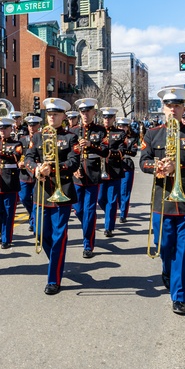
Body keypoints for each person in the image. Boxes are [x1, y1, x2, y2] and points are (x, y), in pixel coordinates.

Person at [140, 87, 185, 316]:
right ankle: (167, 271)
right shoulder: (152, 134)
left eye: (177, 106)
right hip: (162, 200)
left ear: (183, 108)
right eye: (169, 106)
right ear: (163, 108)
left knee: (184, 250)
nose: (173, 109)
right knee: (165, 246)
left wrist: (176, 167)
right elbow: (144, 161)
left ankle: (179, 296)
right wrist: (156, 167)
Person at [25, 99, 80, 295]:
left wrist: (53, 168)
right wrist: (36, 168)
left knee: (58, 238)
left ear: (63, 116)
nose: (51, 117)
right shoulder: (38, 136)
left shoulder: (71, 138)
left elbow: (73, 162)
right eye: (49, 114)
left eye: (55, 114)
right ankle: (55, 261)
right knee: (40, 233)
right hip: (41, 192)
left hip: (61, 192)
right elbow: (28, 158)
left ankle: (54, 278)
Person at [72, 98, 108, 258]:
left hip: (92, 176)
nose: (85, 114)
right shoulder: (73, 131)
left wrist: (91, 145)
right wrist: (73, 171)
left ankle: (88, 245)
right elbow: (70, 154)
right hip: (77, 177)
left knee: (89, 211)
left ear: (94, 112)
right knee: (79, 210)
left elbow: (106, 151)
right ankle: (88, 227)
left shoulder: (100, 131)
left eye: (88, 111)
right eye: (82, 111)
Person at [0, 117, 23, 249]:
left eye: (5, 128)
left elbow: (16, 156)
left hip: (10, 181)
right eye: (0, 128)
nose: (2, 131)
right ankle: (2, 232)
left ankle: (6, 238)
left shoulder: (16, 144)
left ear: (10, 129)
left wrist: (0, 153)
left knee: (8, 212)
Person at [97, 108, 126, 237]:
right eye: (105, 117)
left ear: (114, 118)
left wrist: (108, 153)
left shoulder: (120, 133)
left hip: (114, 170)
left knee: (112, 200)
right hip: (99, 170)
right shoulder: (97, 132)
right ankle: (110, 213)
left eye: (109, 117)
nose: (107, 120)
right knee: (100, 199)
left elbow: (121, 151)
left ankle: (108, 227)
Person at [18, 115, 42, 234]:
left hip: (37, 173)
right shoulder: (22, 140)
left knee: (36, 198)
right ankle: (32, 214)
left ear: (38, 126)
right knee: (24, 197)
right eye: (30, 125)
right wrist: (19, 162)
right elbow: (16, 154)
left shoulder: (42, 138)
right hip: (24, 174)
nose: (32, 128)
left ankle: (33, 221)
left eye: (34, 125)